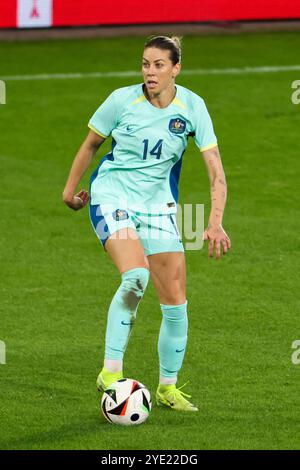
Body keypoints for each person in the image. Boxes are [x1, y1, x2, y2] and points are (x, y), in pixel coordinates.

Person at [62, 36, 231, 412]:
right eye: (144, 64)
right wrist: (69, 190)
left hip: (159, 208)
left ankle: (168, 388)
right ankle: (110, 372)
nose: (150, 72)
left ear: (176, 69)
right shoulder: (121, 100)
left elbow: (216, 172)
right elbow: (91, 144)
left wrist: (215, 223)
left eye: (158, 65)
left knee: (176, 302)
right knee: (135, 275)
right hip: (112, 197)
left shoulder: (193, 107)